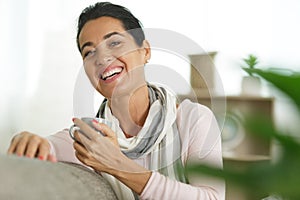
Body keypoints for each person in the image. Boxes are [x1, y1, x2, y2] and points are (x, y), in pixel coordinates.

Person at [7, 2, 225, 199]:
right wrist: (31, 141)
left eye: (114, 43)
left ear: (145, 51)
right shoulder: (90, 138)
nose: (102, 58)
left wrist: (117, 165)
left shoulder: (193, 119)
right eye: (89, 52)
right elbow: (47, 147)